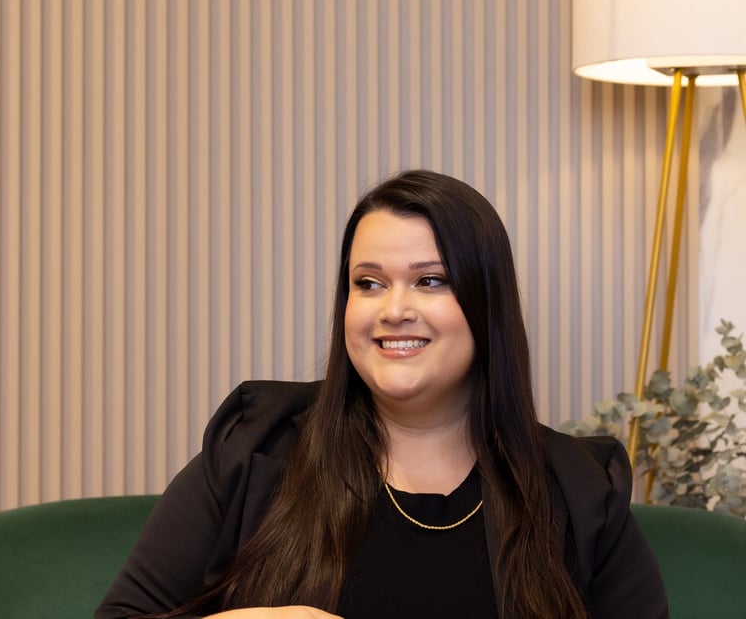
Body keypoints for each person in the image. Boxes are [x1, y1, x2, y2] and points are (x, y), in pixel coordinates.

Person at [96, 169, 668, 619]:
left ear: (485, 302)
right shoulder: (252, 449)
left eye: (430, 280)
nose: (393, 310)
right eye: (368, 283)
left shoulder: (580, 490)